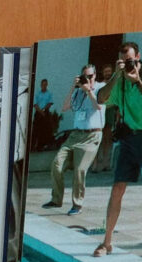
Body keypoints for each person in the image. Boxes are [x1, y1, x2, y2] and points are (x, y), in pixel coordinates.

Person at [93, 42, 142, 259]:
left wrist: (138, 81)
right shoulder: (120, 78)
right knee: (117, 188)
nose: (128, 65)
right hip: (129, 137)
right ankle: (106, 242)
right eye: (124, 61)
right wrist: (116, 75)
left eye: (131, 60)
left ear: (139, 57)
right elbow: (101, 98)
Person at [43, 64, 105, 215]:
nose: (88, 79)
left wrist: (88, 90)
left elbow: (98, 106)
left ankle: (77, 205)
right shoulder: (78, 91)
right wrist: (74, 86)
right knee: (57, 164)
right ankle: (56, 199)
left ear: (95, 76)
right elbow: (65, 107)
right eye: (85, 76)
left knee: (80, 170)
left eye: (90, 76)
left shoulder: (101, 88)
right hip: (75, 135)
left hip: (92, 135)